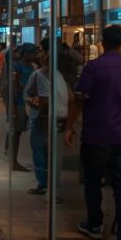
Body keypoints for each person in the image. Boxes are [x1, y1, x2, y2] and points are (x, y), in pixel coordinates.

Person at [63, 25, 121, 240]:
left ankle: (95, 224)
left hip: (97, 137)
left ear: (102, 43)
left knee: (92, 181)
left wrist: (69, 127)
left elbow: (78, 101)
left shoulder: (93, 68)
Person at [23, 39, 70, 196]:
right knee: (54, 154)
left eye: (41, 51)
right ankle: (52, 186)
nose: (39, 54)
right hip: (60, 119)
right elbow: (71, 97)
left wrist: (33, 101)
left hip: (43, 118)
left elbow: (40, 98)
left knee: (40, 151)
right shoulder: (62, 75)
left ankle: (44, 184)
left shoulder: (40, 74)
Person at [7, 45, 35, 172]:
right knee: (16, 132)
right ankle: (13, 161)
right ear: (25, 54)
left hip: (29, 103)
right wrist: (12, 106)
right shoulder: (16, 66)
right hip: (18, 102)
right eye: (32, 53)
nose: (34, 55)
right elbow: (14, 86)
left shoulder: (32, 67)